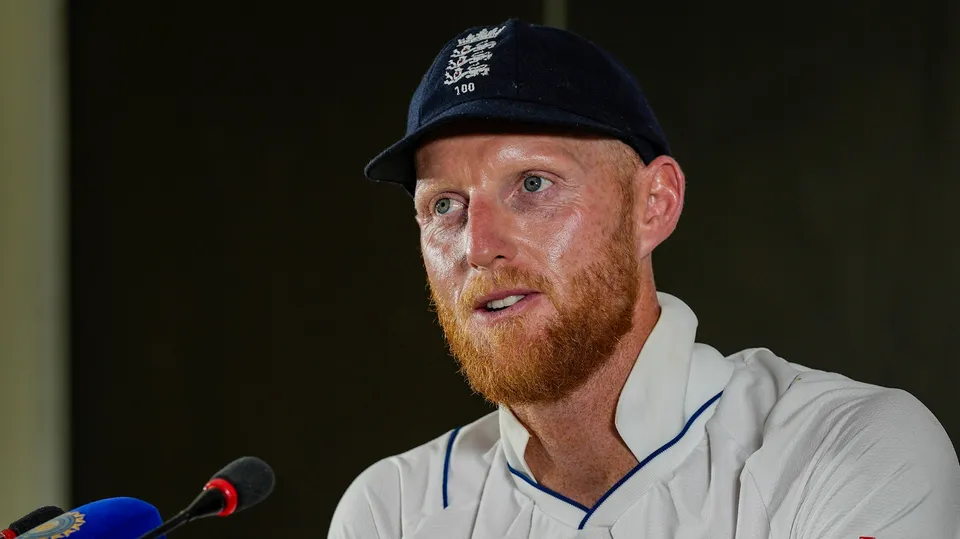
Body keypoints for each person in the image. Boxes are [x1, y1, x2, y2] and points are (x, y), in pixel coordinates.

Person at [328, 19, 960, 539]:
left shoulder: (846, 450)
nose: (478, 244)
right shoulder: (392, 511)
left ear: (654, 203)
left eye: (533, 185)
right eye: (443, 205)